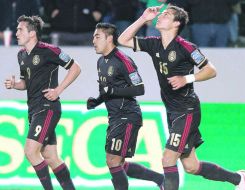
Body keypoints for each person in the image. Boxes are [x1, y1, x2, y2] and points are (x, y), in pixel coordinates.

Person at [118, 4, 245, 190]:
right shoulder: (153, 43)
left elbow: (211, 70)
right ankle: (238, 179)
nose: (161, 16)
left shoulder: (186, 47)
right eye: (161, 14)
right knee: (191, 166)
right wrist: (143, 19)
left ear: (176, 23)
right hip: (172, 110)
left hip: (187, 110)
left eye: (166, 15)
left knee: (168, 158)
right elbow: (123, 39)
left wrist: (186, 78)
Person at [4, 15, 81, 190]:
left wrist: (58, 90)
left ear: (32, 33)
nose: (16, 33)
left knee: (31, 152)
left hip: (47, 108)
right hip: (34, 109)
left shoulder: (50, 50)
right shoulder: (21, 55)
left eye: (20, 29)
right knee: (51, 157)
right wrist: (15, 84)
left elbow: (76, 68)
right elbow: (26, 83)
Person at [87, 22, 164, 190]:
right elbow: (107, 91)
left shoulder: (123, 60)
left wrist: (112, 90)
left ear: (109, 38)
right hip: (115, 117)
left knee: (112, 160)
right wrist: (98, 100)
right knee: (118, 163)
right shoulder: (101, 62)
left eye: (97, 36)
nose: (93, 40)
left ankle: (159, 180)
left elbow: (139, 88)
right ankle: (160, 179)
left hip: (127, 115)